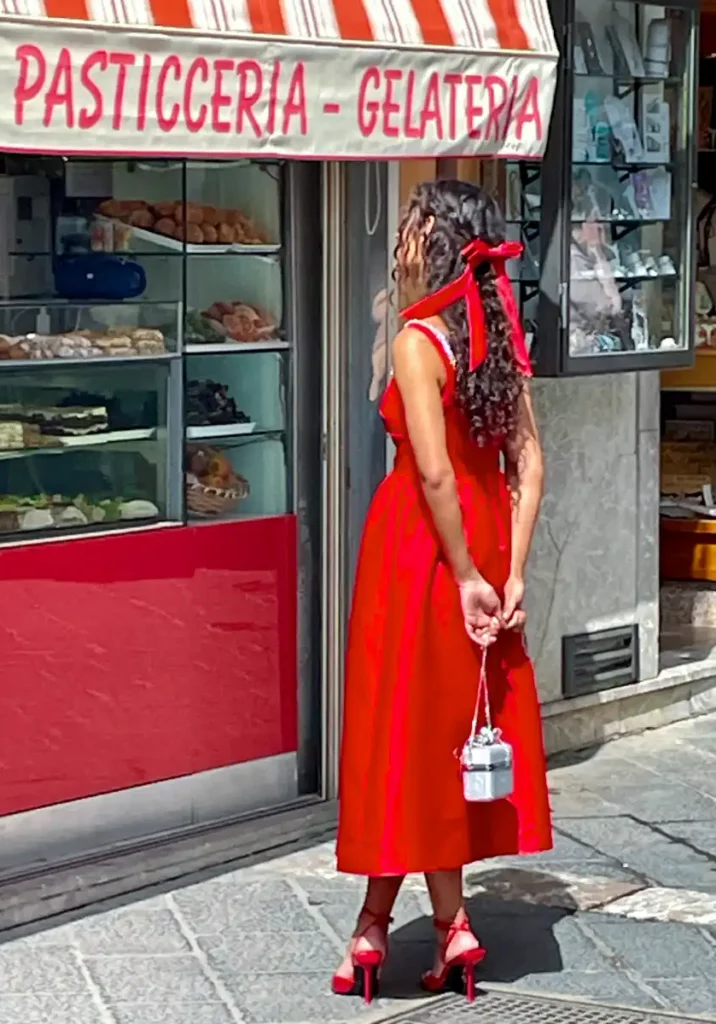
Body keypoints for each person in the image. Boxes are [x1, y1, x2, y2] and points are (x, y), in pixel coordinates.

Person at [332, 180, 553, 1005]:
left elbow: (429, 471)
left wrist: (463, 575)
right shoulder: (500, 337)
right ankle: (436, 923)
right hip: (490, 531)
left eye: (413, 225)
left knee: (404, 729)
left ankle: (380, 926)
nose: (401, 236)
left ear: (438, 240)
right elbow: (530, 464)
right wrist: (514, 571)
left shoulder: (419, 341)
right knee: (455, 730)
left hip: (422, 547)